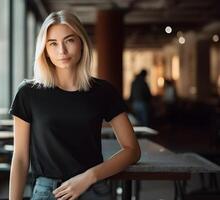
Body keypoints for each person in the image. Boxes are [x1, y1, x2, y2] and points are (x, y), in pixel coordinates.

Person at [9, 10, 141, 200]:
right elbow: (20, 158)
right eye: (53, 43)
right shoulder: (28, 92)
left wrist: (90, 176)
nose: (61, 51)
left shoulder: (103, 91)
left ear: (81, 43)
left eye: (69, 40)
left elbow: (132, 150)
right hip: (48, 192)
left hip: (94, 189)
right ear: (45, 49)